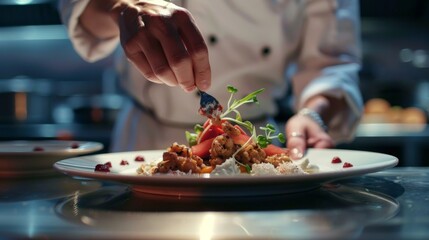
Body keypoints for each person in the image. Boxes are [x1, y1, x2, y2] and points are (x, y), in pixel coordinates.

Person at [59, 0, 363, 159]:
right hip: (144, 141)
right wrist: (120, 8)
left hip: (254, 148)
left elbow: (331, 61)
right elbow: (81, 11)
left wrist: (313, 112)